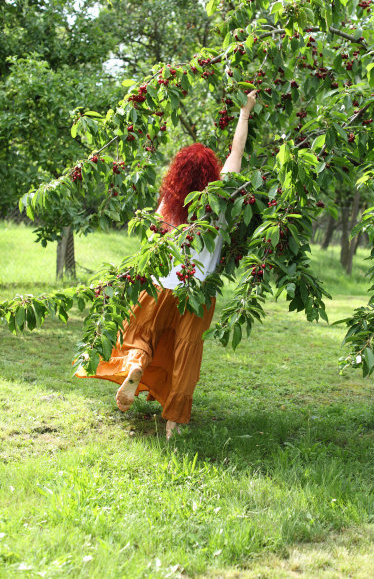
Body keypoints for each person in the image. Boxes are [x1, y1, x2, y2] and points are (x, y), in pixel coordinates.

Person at [76, 90, 257, 439]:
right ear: (211, 172)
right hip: (198, 292)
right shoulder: (221, 198)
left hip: (162, 284)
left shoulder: (169, 204)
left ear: (178, 174)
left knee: (139, 333)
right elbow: (236, 151)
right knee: (187, 353)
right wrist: (244, 114)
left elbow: (151, 244)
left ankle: (136, 365)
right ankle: (173, 421)